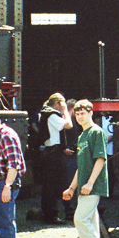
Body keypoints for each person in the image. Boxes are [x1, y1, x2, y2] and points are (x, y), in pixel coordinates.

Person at [63, 100, 109, 238]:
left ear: (91, 113)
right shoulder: (82, 136)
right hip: (83, 186)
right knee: (90, 221)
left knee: (80, 219)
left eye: (83, 113)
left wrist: (90, 183)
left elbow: (100, 159)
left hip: (92, 185)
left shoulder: (96, 132)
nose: (80, 116)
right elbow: (81, 166)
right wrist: (72, 188)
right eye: (77, 113)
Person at [39, 94, 72, 223]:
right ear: (58, 103)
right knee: (51, 185)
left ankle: (49, 213)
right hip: (52, 152)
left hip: (51, 151)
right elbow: (69, 125)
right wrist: (65, 111)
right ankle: (51, 215)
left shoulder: (46, 113)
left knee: (50, 184)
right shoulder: (52, 115)